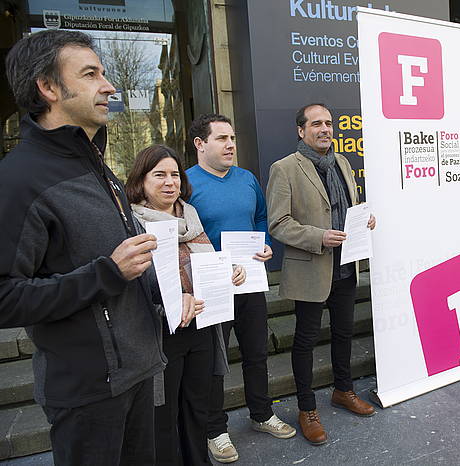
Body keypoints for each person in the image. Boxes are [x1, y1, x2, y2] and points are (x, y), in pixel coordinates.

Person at [0, 30, 165, 465]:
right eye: (91, 74)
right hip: (87, 391)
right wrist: (106, 273)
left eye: (105, 73)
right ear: (49, 88)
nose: (109, 86)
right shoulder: (18, 180)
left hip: (137, 371)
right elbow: (5, 297)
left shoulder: (98, 165)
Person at [126, 144, 246, 465]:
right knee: (163, 417)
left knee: (197, 408)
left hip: (202, 328)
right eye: (159, 174)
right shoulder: (132, 224)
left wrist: (229, 272)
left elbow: (205, 263)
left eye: (175, 174)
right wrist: (171, 301)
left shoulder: (189, 215)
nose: (170, 182)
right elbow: (132, 285)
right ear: (141, 180)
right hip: (161, 333)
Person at [186, 114, 296, 463]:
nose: (230, 144)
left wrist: (264, 244)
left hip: (249, 281)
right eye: (221, 138)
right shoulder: (186, 184)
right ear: (200, 145)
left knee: (256, 351)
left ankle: (262, 414)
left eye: (232, 137)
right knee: (214, 362)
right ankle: (215, 430)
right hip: (212, 285)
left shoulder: (247, 179)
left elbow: (261, 217)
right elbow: (182, 237)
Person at [266, 103, 377, 446]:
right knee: (305, 341)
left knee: (343, 334)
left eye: (328, 123)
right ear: (301, 130)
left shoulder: (342, 162)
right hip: (312, 269)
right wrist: (319, 237)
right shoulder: (284, 169)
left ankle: (343, 391)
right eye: (316, 124)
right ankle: (306, 409)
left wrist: (364, 220)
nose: (325, 129)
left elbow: (347, 207)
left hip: (346, 266)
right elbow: (278, 223)